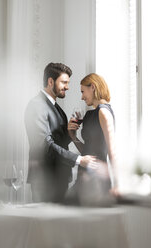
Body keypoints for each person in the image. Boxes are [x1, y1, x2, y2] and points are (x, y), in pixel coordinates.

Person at [24, 62, 96, 203]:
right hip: (45, 181)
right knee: (44, 224)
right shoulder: (36, 105)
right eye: (64, 82)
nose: (67, 87)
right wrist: (79, 160)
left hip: (59, 179)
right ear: (50, 81)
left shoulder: (56, 107)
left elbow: (59, 140)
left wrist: (70, 131)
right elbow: (46, 146)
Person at [67, 73, 118, 205]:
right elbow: (87, 150)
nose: (82, 97)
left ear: (93, 87)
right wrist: (73, 137)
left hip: (96, 180)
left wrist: (117, 185)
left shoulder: (103, 112)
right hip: (84, 175)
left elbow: (112, 151)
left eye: (83, 91)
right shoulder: (90, 114)